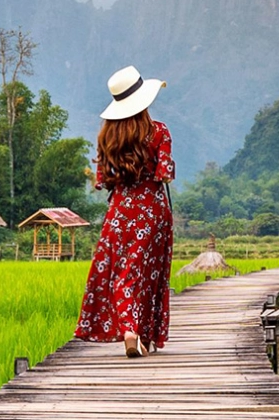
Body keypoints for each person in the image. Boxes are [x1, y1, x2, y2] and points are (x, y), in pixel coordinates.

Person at [74, 65, 175, 358]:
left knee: (123, 273)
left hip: (120, 213)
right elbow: (164, 173)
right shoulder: (159, 132)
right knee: (149, 273)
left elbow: (103, 180)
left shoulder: (107, 137)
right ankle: (138, 332)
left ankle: (131, 332)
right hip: (153, 211)